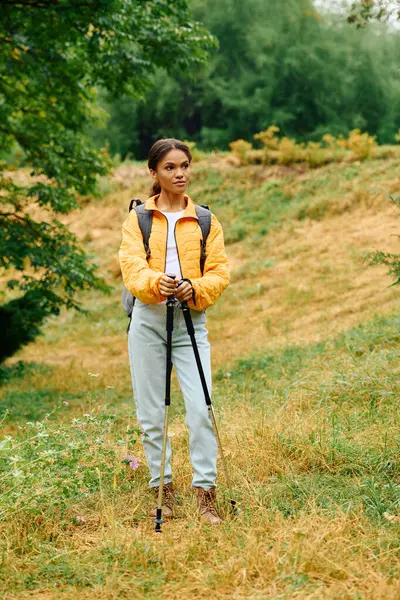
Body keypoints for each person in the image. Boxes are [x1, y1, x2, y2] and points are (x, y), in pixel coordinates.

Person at [118, 138, 230, 525]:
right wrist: (155, 282)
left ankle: (206, 493)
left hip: (190, 322)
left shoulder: (204, 219)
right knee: (151, 414)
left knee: (200, 408)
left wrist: (194, 288)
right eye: (170, 167)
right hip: (148, 322)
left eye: (184, 165)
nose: (179, 173)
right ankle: (161, 489)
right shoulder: (139, 219)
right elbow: (131, 267)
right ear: (154, 173)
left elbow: (219, 271)